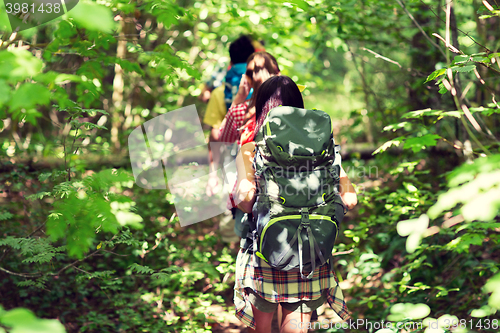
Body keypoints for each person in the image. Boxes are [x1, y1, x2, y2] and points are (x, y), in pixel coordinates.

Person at [233, 75, 357, 333]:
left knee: (263, 329)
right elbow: (350, 199)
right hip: (311, 253)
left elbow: (245, 200)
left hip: (265, 251)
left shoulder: (251, 149)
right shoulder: (325, 149)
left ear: (262, 109)